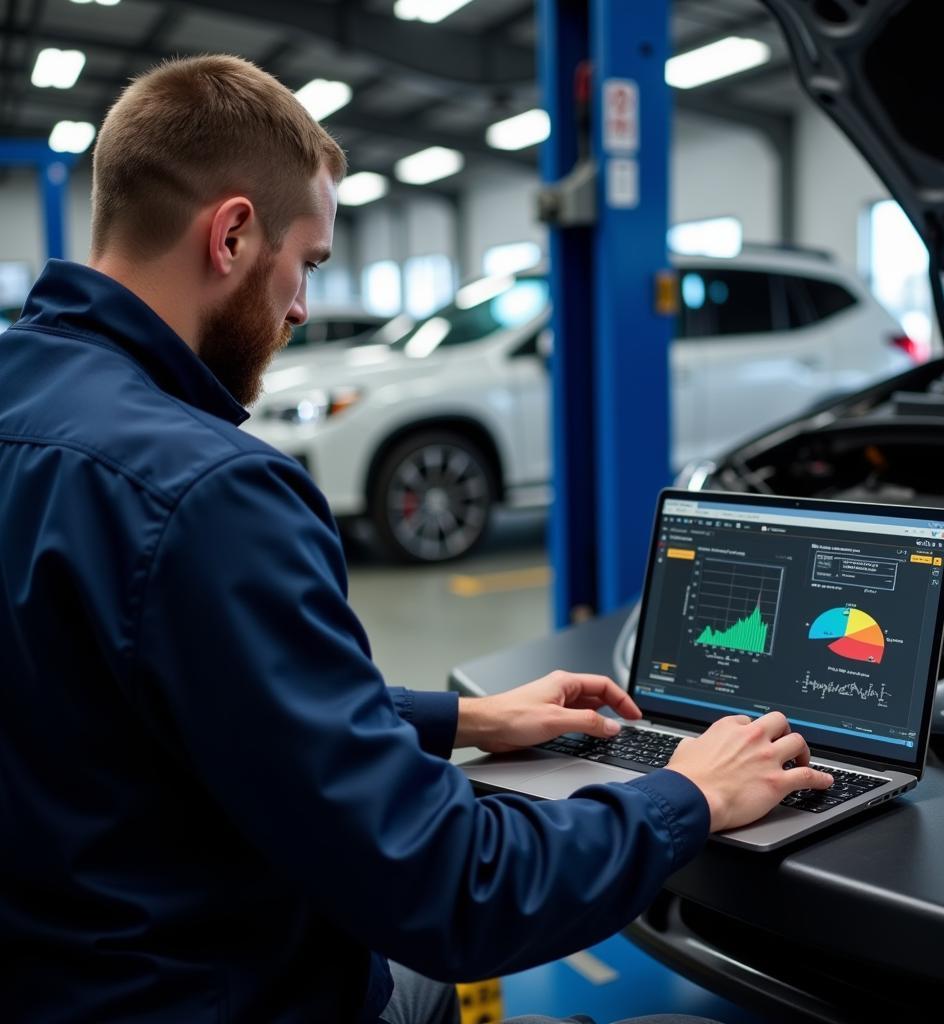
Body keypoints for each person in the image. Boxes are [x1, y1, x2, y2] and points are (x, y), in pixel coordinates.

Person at [0, 55, 833, 1024]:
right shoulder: (209, 493)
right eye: (306, 262)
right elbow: (448, 892)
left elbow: (158, 686)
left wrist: (460, 720)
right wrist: (687, 792)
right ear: (231, 234)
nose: (301, 307)